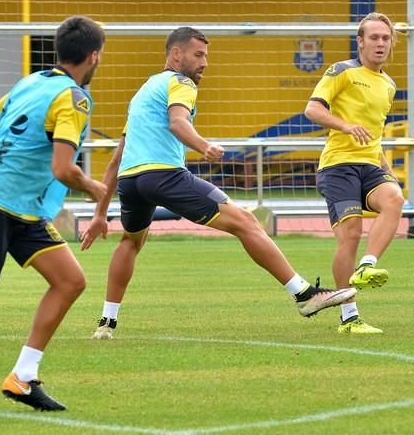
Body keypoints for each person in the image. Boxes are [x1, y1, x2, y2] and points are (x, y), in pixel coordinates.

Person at [80, 27, 355, 340]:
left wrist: (100, 214)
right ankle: (304, 295)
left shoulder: (144, 90)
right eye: (198, 55)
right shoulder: (180, 82)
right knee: (247, 222)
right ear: (175, 54)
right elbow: (178, 121)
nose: (205, 63)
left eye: (206, 56)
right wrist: (203, 145)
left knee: (130, 242)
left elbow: (117, 159)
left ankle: (106, 323)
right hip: (163, 175)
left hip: (131, 181)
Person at [0, 16, 106, 411]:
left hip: (17, 210)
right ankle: (21, 377)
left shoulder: (31, 80)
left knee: (70, 281)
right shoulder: (75, 98)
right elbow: (63, 169)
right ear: (93, 57)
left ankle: (22, 378)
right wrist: (95, 188)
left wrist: (8, 170)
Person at [303, 12, 404, 334]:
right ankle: (349, 316)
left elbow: (375, 134)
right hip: (338, 166)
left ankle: (368, 265)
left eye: (385, 38)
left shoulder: (389, 85)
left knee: (395, 199)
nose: (380, 43)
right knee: (350, 234)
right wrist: (345, 125)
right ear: (360, 42)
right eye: (374, 37)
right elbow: (313, 109)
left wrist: (386, 168)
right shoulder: (342, 71)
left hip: (370, 165)